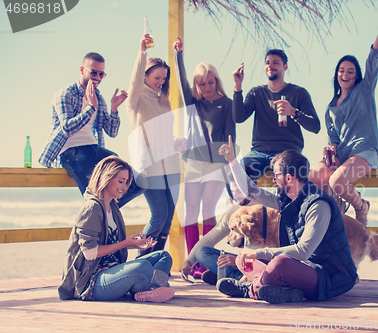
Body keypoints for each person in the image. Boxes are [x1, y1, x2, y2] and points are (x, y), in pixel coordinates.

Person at [216, 138, 357, 304]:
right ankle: (288, 291)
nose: (273, 180)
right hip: (303, 267)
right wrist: (233, 161)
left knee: (279, 263)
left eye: (276, 176)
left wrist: (257, 252)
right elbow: (251, 191)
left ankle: (250, 290)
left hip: (330, 277)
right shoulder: (287, 200)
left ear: (289, 178)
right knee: (243, 259)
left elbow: (303, 251)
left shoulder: (318, 205)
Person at [309, 13, 378, 227]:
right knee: (312, 177)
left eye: (350, 71)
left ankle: (360, 207)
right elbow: (334, 137)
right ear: (337, 74)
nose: (345, 74)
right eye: (341, 70)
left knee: (336, 181)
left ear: (357, 76)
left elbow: (373, 58)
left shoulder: (364, 91)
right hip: (342, 156)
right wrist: (331, 148)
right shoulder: (330, 107)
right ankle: (333, 209)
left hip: (365, 151)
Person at [58, 156, 174, 303]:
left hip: (112, 270)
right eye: (120, 181)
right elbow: (89, 253)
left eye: (126, 182)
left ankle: (150, 290)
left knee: (163, 256)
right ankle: (150, 287)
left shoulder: (112, 207)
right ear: (106, 178)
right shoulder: (92, 208)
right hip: (91, 282)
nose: (124, 187)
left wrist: (134, 244)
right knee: (143, 266)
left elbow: (111, 248)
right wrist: (124, 244)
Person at [39, 52, 144, 208]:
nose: (97, 77)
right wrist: (91, 107)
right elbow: (67, 128)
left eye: (101, 74)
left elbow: (112, 132)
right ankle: (101, 209)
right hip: (71, 152)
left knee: (137, 182)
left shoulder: (99, 98)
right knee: (96, 196)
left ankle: (103, 208)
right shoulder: (65, 94)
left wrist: (114, 109)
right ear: (82, 70)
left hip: (95, 149)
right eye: (93, 72)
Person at [173, 37, 236, 277]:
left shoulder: (227, 104)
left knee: (208, 209)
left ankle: (203, 262)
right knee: (190, 211)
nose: (207, 87)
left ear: (216, 81)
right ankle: (193, 263)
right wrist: (178, 55)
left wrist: (229, 165)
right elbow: (181, 82)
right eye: (202, 83)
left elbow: (230, 136)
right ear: (197, 85)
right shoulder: (193, 103)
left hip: (215, 165)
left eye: (211, 82)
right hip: (193, 163)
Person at [125, 33, 185, 257]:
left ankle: (154, 261)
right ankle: (139, 263)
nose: (160, 82)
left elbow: (165, 135)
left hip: (168, 164)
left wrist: (177, 142)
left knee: (168, 216)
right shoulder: (136, 98)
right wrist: (142, 52)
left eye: (163, 79)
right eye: (156, 77)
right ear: (146, 75)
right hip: (148, 165)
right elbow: (134, 79)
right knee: (158, 215)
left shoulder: (163, 100)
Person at [232, 49, 321, 182]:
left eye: (275, 62)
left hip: (288, 151)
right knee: (236, 176)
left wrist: (293, 112)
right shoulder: (257, 92)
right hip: (259, 152)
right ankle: (255, 203)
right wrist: (237, 87)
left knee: (288, 181)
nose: (270, 66)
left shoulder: (299, 93)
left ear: (285, 67)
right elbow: (239, 118)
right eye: (267, 62)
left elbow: (315, 126)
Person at [180, 178, 251, 286]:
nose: (236, 195)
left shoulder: (264, 205)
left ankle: (235, 277)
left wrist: (239, 260)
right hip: (242, 260)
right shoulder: (234, 211)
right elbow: (210, 238)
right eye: (233, 191)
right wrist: (189, 262)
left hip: (260, 259)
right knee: (202, 252)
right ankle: (232, 275)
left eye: (240, 190)